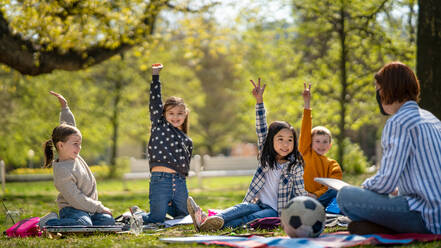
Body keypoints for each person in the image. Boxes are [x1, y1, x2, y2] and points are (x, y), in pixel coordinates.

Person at [187, 78, 308, 232]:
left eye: (290, 140)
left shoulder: (294, 166)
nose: (286, 144)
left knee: (250, 218)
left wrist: (305, 210)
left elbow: (299, 192)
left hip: (276, 211)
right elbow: (261, 127)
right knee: (241, 208)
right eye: (281, 139)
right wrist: (259, 101)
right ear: (271, 141)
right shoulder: (267, 158)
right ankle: (206, 219)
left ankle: (210, 226)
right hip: (257, 202)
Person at [337, 61, 441, 234]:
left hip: (424, 216)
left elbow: (385, 182)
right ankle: (381, 227)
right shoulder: (432, 119)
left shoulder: (398, 122)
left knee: (345, 196)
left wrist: (364, 187)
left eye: (378, 90)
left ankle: (385, 226)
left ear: (386, 90)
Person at [39, 91, 115, 227]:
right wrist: (99, 207)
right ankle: (48, 222)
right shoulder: (62, 170)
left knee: (108, 221)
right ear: (61, 145)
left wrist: (65, 107)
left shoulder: (74, 155)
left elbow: (69, 126)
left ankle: (87, 221)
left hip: (87, 208)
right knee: (83, 223)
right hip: (72, 209)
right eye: (75, 144)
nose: (79, 148)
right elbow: (76, 198)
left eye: (80, 144)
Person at [137, 63, 193, 225]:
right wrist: (156, 76)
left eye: (180, 113)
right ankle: (136, 215)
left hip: (180, 182)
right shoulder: (159, 125)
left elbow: (185, 165)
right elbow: (154, 101)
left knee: (185, 217)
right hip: (160, 180)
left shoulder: (186, 139)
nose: (176, 117)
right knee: (156, 219)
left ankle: (168, 206)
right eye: (171, 113)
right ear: (163, 114)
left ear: (185, 114)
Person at [299, 83, 343, 207]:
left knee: (337, 191)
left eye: (325, 142)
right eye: (317, 141)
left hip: (319, 200)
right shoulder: (305, 152)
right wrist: (307, 103)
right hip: (300, 195)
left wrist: (316, 195)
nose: (321, 145)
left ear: (330, 145)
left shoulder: (332, 164)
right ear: (310, 143)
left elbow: (334, 184)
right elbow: (305, 129)